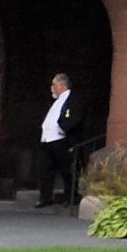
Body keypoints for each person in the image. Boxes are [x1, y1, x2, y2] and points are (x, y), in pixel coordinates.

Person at [35, 71, 82, 209]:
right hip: (47, 140)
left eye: (54, 85)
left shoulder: (73, 99)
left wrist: (64, 128)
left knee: (66, 169)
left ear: (62, 85)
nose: (52, 88)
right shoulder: (56, 101)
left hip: (61, 140)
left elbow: (76, 116)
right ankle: (45, 197)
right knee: (44, 169)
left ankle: (70, 196)